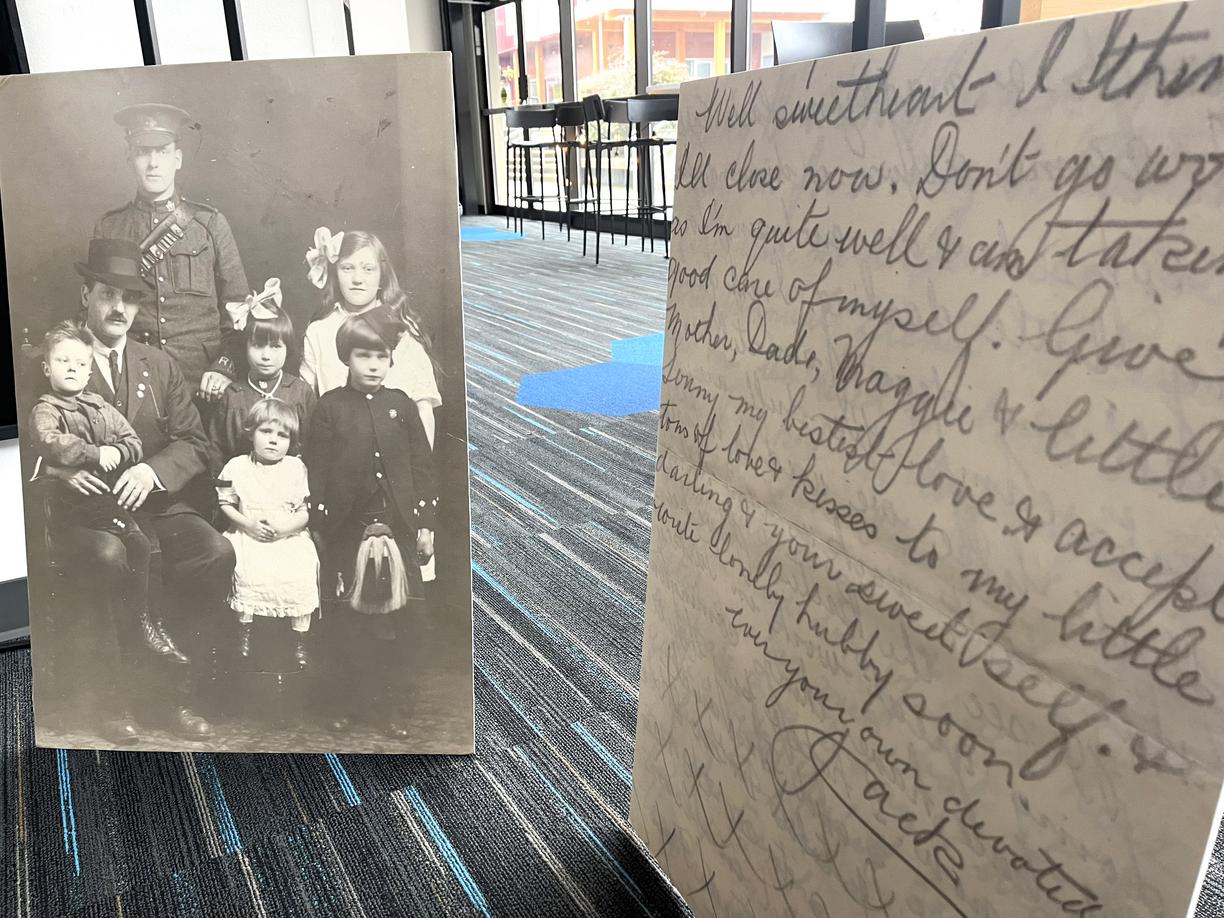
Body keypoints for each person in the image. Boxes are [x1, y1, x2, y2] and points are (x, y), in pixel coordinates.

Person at [42, 238, 236, 740]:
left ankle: (176, 695)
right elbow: (23, 441)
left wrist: (151, 471)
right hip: (83, 511)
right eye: (108, 294)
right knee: (110, 556)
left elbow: (194, 441)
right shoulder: (53, 357)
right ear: (86, 295)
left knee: (214, 550)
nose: (120, 309)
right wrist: (55, 470)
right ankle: (113, 701)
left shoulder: (159, 364)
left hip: (152, 503)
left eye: (129, 299)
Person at [29, 320, 184, 683]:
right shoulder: (47, 408)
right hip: (71, 508)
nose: (72, 369)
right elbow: (50, 443)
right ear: (47, 367)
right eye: (63, 361)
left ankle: (144, 620)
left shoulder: (99, 405)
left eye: (81, 363)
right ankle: (133, 632)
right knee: (124, 547)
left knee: (143, 545)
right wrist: (95, 454)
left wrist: (117, 449)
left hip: (105, 503)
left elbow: (133, 441)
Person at [307, 309, 436, 737]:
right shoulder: (329, 408)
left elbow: (423, 467)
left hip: (399, 529)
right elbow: (317, 471)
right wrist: (319, 528)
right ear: (347, 357)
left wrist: (425, 525)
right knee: (349, 623)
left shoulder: (400, 406)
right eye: (364, 355)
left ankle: (393, 707)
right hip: (345, 528)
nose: (374, 365)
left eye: (382, 356)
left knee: (402, 621)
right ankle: (348, 704)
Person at [94, 102, 250, 400]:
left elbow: (238, 310)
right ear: (130, 157)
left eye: (162, 152)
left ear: (177, 159)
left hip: (203, 381)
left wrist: (224, 367)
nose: (153, 163)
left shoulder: (210, 224)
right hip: (132, 381)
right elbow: (95, 312)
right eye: (143, 152)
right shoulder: (110, 227)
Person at [299, 227, 440, 447]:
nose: (357, 279)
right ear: (335, 272)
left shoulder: (401, 328)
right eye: (347, 268)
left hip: (394, 454)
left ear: (381, 275)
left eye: (368, 269)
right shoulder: (319, 331)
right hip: (340, 454)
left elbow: (423, 407)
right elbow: (306, 403)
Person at [216, 399, 319, 668]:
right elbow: (225, 503)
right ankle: (244, 632)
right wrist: (248, 524)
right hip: (247, 531)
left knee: (301, 567)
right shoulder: (236, 466)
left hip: (288, 535)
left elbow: (305, 511)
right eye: (266, 432)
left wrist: (284, 529)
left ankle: (299, 638)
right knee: (247, 567)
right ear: (251, 432)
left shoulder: (297, 468)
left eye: (282, 435)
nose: (273, 441)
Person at [205, 278, 316, 475]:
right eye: (257, 345)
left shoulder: (300, 392)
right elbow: (216, 452)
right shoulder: (232, 395)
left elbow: (312, 448)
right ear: (245, 346)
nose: (266, 355)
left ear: (287, 348)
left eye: (275, 346)